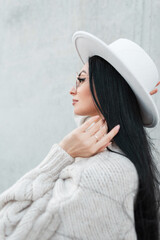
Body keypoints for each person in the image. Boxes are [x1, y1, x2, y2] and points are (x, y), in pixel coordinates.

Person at [0, 31, 159, 240]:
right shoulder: (114, 161)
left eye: (81, 79)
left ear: (108, 87)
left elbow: (8, 227)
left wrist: (62, 153)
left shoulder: (102, 173)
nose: (72, 90)